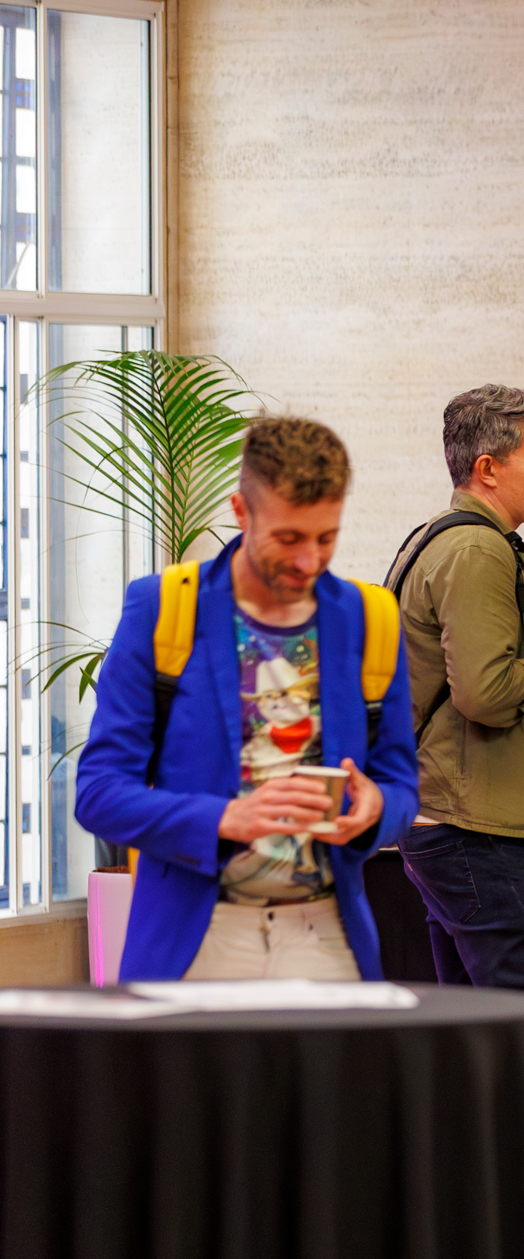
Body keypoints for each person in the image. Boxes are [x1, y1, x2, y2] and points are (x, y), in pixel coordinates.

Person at [76, 417, 419, 981]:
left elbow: (402, 783)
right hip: (196, 941)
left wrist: (376, 808)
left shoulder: (369, 618)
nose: (309, 561)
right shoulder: (163, 609)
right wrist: (224, 818)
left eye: (326, 538)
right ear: (241, 511)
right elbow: (99, 794)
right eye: (289, 539)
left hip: (328, 939)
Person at [387, 384, 524, 996]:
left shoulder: (443, 538)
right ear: (487, 468)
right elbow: (487, 694)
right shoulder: (476, 549)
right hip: (474, 827)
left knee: (482, 1034)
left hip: (448, 819)